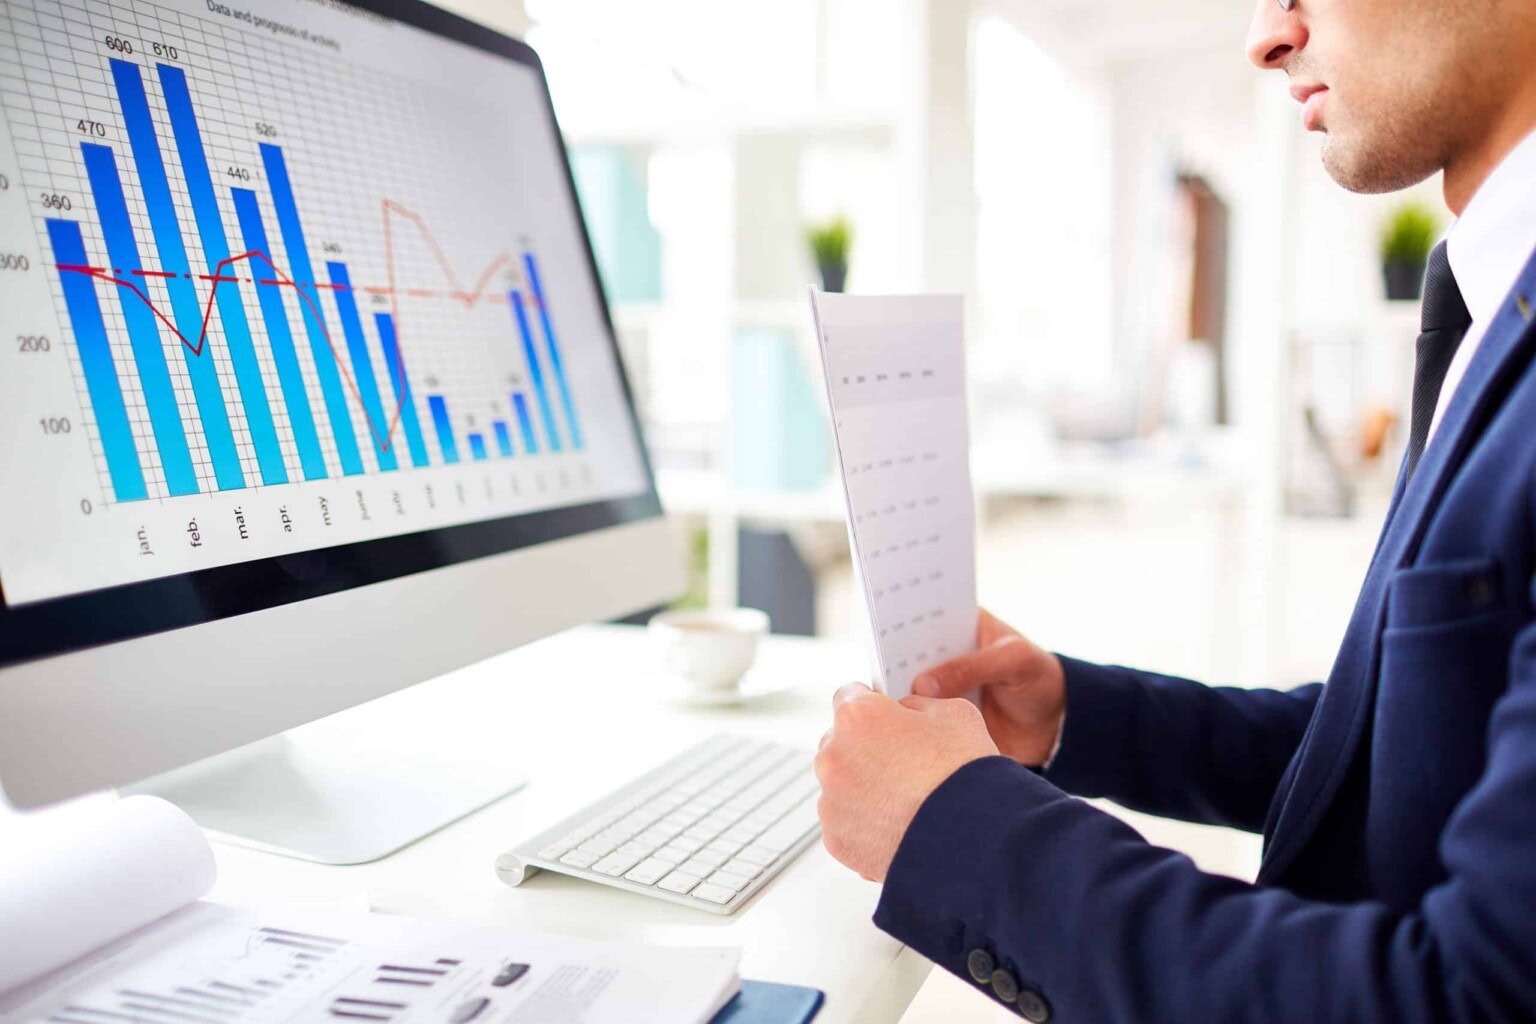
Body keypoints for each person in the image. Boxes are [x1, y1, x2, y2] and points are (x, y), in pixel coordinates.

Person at [813, 0, 1536, 1019]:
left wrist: (958, 823)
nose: (1266, 37)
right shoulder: (1490, 305)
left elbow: (1465, 999)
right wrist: (1073, 713)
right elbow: (1398, 749)